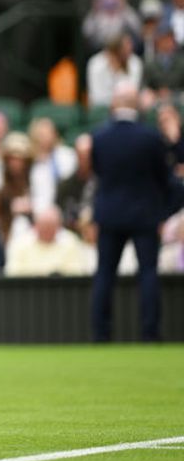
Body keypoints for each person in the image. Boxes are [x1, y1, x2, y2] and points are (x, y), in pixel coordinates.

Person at [90, 82, 172, 342]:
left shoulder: (99, 137)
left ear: (115, 104)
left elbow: (98, 171)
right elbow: (163, 177)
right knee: (147, 272)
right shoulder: (150, 137)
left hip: (110, 214)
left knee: (105, 273)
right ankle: (150, 333)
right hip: (144, 214)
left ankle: (101, 334)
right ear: (136, 104)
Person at [4, 204, 89, 277]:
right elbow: (13, 273)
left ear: (58, 226)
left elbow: (76, 272)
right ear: (36, 226)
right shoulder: (20, 244)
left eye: (51, 227)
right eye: (44, 227)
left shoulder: (71, 242)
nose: (47, 231)